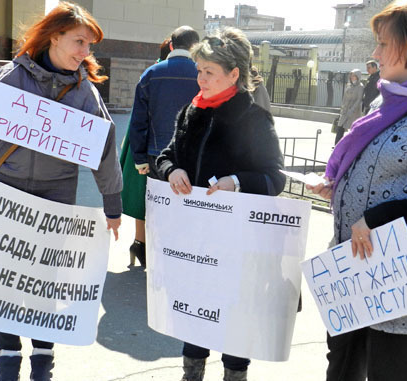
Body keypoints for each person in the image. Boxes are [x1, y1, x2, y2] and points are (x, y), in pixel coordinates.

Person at [0, 2, 122, 380]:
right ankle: (8, 362)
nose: (84, 53)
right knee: (6, 283)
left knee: (43, 285)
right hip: (3, 195)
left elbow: (104, 150)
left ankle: (43, 362)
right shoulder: (9, 79)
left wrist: (112, 203)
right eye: (79, 42)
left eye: (88, 46)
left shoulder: (84, 93)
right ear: (54, 36)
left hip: (55, 201)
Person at [308, 2, 407, 380]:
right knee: (342, 365)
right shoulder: (391, 99)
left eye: (383, 44)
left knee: (391, 371)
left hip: (400, 277)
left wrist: (379, 216)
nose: (375, 53)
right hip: (354, 270)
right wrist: (339, 186)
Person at [156, 27, 286, 381]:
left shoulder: (253, 118)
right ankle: (191, 375)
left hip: (237, 245)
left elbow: (275, 177)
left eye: (208, 72)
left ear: (233, 75)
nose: (200, 79)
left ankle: (235, 375)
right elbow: (166, 155)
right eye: (199, 71)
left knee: (234, 317)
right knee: (194, 314)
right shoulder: (190, 112)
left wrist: (237, 183)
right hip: (192, 239)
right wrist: (171, 170)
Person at [128, 25, 200, 267]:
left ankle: (156, 259)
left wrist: (139, 158)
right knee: (188, 210)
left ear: (171, 45)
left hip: (156, 156)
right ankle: (181, 260)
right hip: (193, 158)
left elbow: (139, 121)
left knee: (158, 210)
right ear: (196, 46)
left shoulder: (150, 74)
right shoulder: (203, 74)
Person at [119, 36, 173, 268]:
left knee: (144, 197)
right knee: (160, 199)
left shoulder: (151, 72)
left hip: (138, 145)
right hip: (158, 148)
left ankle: (138, 243)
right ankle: (153, 247)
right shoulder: (173, 75)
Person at [334, 68, 364, 145]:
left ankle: (353, 145)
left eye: (354, 76)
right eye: (351, 75)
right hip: (345, 110)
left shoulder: (360, 87)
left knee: (352, 128)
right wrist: (342, 107)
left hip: (354, 112)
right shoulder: (349, 85)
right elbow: (344, 98)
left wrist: (352, 110)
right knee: (340, 127)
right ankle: (337, 144)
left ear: (358, 76)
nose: (352, 77)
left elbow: (359, 99)